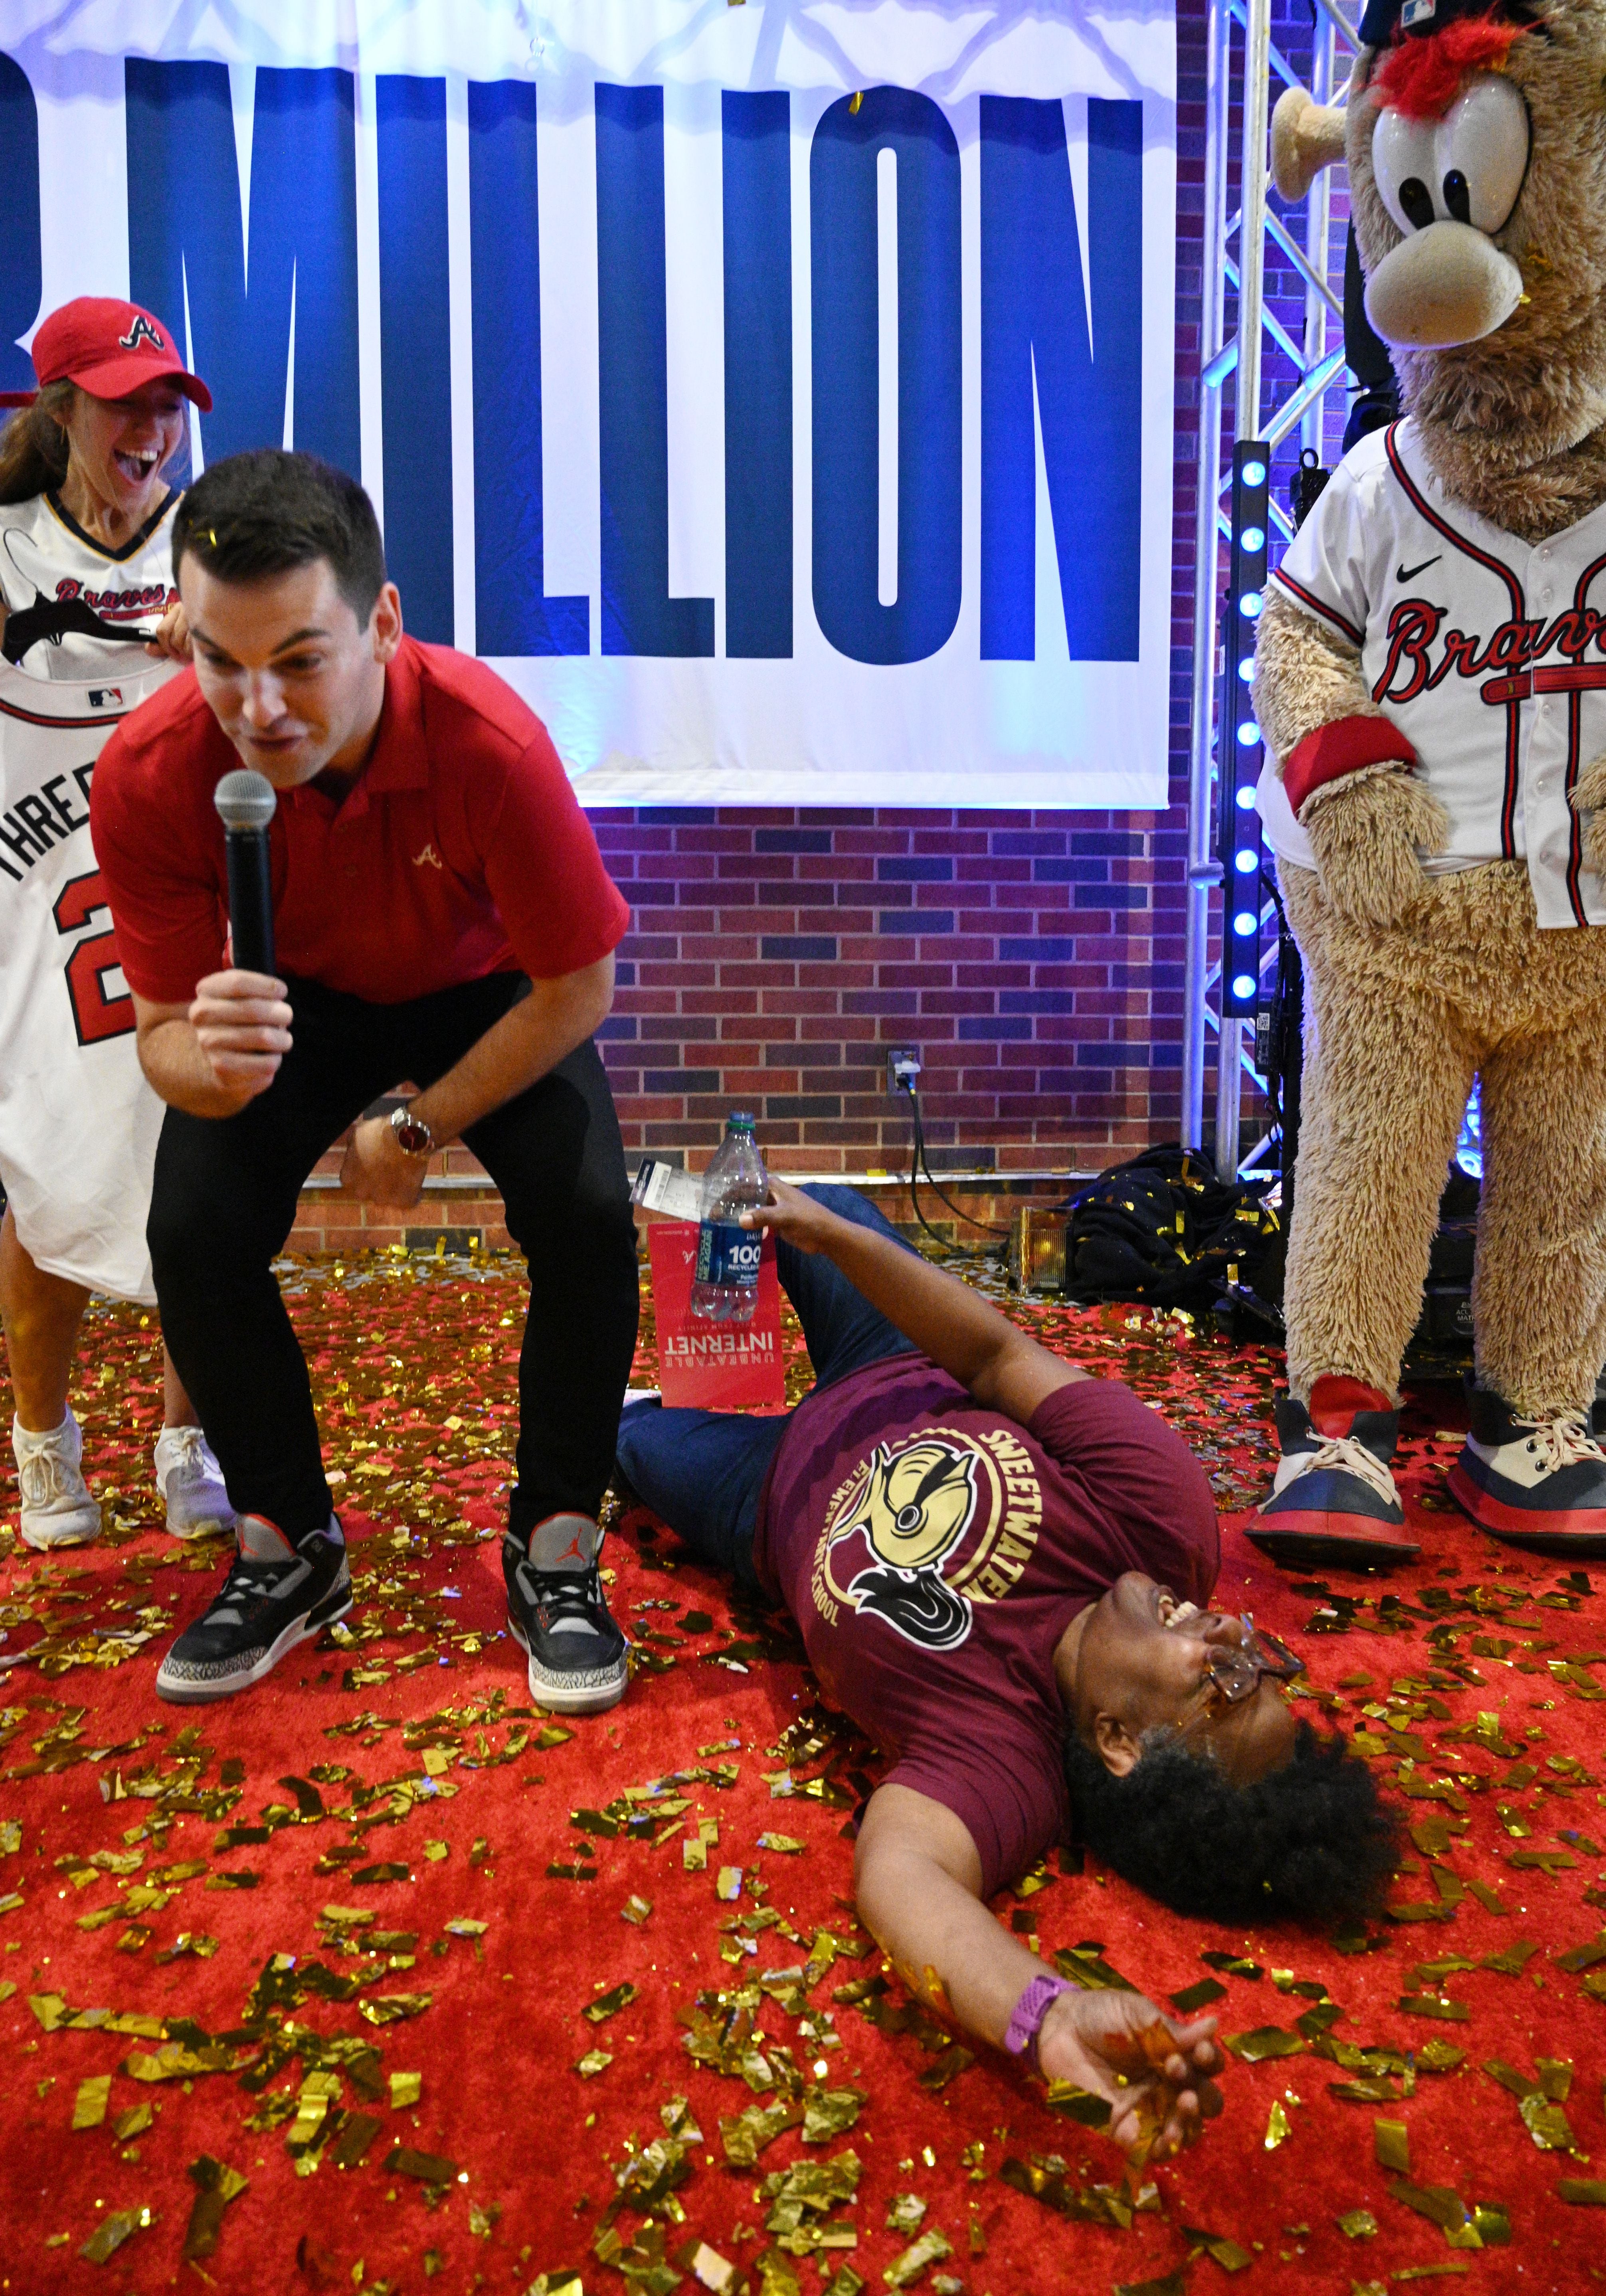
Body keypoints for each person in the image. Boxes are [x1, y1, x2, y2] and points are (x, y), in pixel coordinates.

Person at [616, 1182, 1400, 2159]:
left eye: (1225, 1680)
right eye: (1260, 1656)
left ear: (1118, 1743)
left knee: (623, 1437)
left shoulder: (1003, 1759)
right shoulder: (1161, 1522)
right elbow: (993, 1354)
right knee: (810, 1203)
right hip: (897, 1360)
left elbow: (901, 1877)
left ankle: (648, 1416)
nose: (1231, 1630)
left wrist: (1045, 2013)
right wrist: (832, 1244)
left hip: (762, 1497)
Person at [91, 447, 640, 1711]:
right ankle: (289, 1546)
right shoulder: (153, 770)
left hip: (487, 988)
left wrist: (420, 1120)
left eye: (299, 658)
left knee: (588, 1213)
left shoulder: (489, 742)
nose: (258, 706)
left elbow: (580, 988)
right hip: (300, 992)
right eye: (220, 659)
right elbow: (165, 1039)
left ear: (383, 625)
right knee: (195, 1225)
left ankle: (556, 1541)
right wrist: (213, 1070)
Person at [0, 295, 231, 1549]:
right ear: (63, 408)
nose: (149, 427)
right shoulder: (4, 547)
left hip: (193, 895)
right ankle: (45, 1445)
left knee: (201, 1177)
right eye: (122, 400)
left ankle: (185, 1437)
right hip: (40, 903)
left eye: (165, 403)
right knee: (47, 1183)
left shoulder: (219, 534)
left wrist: (226, 629)